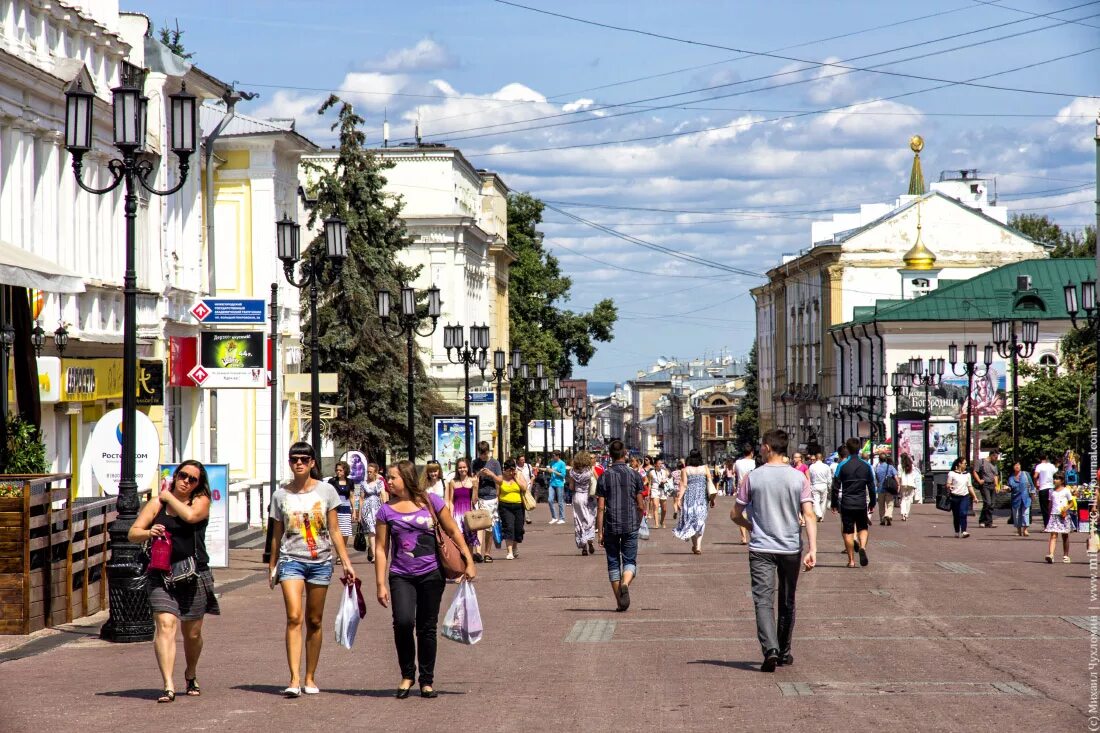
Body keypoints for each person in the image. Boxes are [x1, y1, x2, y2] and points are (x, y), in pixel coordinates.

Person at [375, 460, 476, 699]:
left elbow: (453, 530)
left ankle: (426, 680)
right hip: (400, 575)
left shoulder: (431, 502)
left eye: (392, 478)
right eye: (388, 478)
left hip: (432, 573)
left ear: (406, 479)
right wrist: (380, 583)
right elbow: (381, 548)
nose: (388, 482)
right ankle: (407, 674)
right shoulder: (386, 510)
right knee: (403, 622)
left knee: (426, 627)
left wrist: (469, 560)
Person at [268, 442, 356, 698]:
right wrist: (272, 565)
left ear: (312, 463)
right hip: (290, 560)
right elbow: (276, 534)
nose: (299, 463)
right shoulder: (280, 495)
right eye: (294, 458)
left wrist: (347, 562)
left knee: (314, 620)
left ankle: (310, 676)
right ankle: (294, 678)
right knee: (294, 616)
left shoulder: (326, 491)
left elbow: (335, 530)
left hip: (321, 561)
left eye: (304, 459)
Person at [130, 460, 218, 703]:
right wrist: (150, 532)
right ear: (176, 475)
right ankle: (168, 684)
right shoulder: (157, 503)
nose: (186, 481)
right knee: (166, 626)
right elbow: (132, 532)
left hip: (193, 574)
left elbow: (190, 516)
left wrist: (168, 497)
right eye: (182, 475)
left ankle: (190, 673)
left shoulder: (200, 502)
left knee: (192, 633)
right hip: (161, 574)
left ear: (198, 485)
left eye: (192, 479)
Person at [731, 430, 817, 672]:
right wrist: (813, 548)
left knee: (763, 600)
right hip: (790, 547)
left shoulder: (753, 477)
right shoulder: (799, 478)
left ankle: (770, 649)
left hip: (760, 547)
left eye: (762, 445)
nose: (760, 448)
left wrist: (751, 526)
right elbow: (809, 514)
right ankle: (784, 651)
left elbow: (735, 514)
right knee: (787, 599)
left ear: (768, 447)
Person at [596, 439, 646, 612]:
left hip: (611, 524)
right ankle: (625, 583)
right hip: (630, 522)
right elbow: (641, 505)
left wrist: (599, 531)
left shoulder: (604, 476)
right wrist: (638, 522)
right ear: (625, 454)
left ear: (610, 455)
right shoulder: (635, 475)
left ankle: (620, 602)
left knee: (612, 562)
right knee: (630, 560)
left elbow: (601, 507)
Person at [831, 437, 876, 568]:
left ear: (848, 449)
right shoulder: (866, 466)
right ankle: (862, 547)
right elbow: (871, 486)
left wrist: (834, 503)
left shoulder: (842, 465)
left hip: (847, 503)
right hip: (861, 502)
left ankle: (851, 560)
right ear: (859, 449)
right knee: (862, 527)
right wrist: (872, 503)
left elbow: (835, 487)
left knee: (848, 531)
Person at [674, 449, 714, 555]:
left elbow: (683, 485)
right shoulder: (705, 468)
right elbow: (710, 483)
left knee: (690, 521)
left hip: (689, 499)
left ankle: (696, 544)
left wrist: (679, 499)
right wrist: (712, 499)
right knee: (701, 521)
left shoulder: (685, 470)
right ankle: (698, 546)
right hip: (702, 498)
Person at [489, 459, 528, 560]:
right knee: (508, 528)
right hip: (505, 506)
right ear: (504, 470)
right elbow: (497, 493)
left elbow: (524, 488)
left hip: (518, 506)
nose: (511, 473)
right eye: (509, 471)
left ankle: (515, 547)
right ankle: (509, 551)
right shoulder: (500, 478)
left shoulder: (518, 475)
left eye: (512, 470)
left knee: (518, 529)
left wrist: (515, 477)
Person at [472, 441, 503, 561]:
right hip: (479, 497)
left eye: (485, 454)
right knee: (479, 525)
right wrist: (479, 474)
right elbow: (473, 478)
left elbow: (500, 481)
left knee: (489, 527)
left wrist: (491, 474)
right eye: (481, 454)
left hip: (491, 497)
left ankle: (487, 553)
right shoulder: (475, 463)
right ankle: (478, 552)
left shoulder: (495, 463)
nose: (483, 456)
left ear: (488, 452)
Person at [446, 458, 480, 557]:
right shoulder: (453, 482)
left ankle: (469, 558)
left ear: (468, 468)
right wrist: (451, 515)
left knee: (470, 538)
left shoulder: (473, 480)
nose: (462, 469)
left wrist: (475, 487)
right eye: (460, 467)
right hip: (457, 513)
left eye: (464, 467)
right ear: (457, 469)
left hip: (468, 513)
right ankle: (461, 559)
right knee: (458, 537)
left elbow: (474, 500)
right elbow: (451, 500)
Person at [568, 451, 598, 555]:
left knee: (579, 521)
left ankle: (583, 545)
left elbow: (571, 487)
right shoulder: (590, 471)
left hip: (577, 497)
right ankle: (590, 542)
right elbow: (597, 482)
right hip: (589, 497)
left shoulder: (572, 472)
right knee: (590, 520)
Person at [1044, 471, 1075, 563]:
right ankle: (1051, 554)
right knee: (1053, 535)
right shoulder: (1051, 491)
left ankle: (1066, 555)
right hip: (1054, 515)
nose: (1055, 480)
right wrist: (1049, 515)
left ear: (1062, 481)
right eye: (1054, 478)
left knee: (1065, 536)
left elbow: (1072, 502)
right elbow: (1050, 504)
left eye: (1057, 479)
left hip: (1063, 516)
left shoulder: (1066, 490)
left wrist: (1066, 508)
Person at [358, 462, 386, 563]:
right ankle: (374, 555)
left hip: (377, 508)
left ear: (375, 473)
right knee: (371, 531)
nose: (368, 473)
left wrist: (385, 508)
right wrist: (359, 513)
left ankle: (372, 550)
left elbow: (383, 495)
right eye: (368, 472)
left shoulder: (379, 482)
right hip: (367, 509)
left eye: (371, 472)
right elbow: (361, 498)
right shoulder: (363, 483)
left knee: (378, 531)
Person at [946, 457, 978, 538]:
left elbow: (969, 486)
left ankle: (964, 531)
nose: (966, 465)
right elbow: (948, 484)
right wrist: (949, 486)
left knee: (963, 513)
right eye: (964, 463)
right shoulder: (952, 473)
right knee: (956, 515)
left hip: (964, 496)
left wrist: (974, 497)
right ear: (959, 464)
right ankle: (957, 531)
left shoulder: (967, 474)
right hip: (955, 496)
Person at [328, 461, 357, 543]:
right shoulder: (332, 481)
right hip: (335, 508)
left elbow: (351, 496)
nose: (338, 472)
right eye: (337, 470)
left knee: (345, 531)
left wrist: (354, 510)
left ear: (345, 471)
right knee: (336, 530)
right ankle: (338, 553)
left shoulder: (350, 482)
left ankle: (343, 549)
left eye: (340, 470)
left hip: (346, 509)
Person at [972, 449, 1001, 528]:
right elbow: (975, 471)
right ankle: (982, 521)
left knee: (992, 504)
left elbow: (995, 475)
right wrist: (979, 480)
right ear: (991, 455)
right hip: (985, 485)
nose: (996, 459)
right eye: (995, 457)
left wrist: (997, 485)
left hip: (992, 485)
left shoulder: (994, 464)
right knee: (987, 502)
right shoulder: (981, 462)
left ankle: (988, 522)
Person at [734, 445, 757, 545]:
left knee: (741, 514)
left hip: (741, 490)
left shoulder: (738, 463)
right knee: (753, 514)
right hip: (753, 490)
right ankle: (753, 535)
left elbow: (735, 473)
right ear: (752, 452)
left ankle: (743, 537)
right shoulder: (754, 462)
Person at [1007, 461, 1035, 537]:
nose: (1017, 466)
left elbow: (1032, 485)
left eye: (1018, 465)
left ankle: (1025, 530)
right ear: (1013, 467)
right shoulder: (1011, 477)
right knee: (1016, 515)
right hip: (1015, 498)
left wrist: (1033, 494)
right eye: (1015, 465)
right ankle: (1019, 530)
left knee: (1025, 514)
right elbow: (1010, 488)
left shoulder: (1026, 474)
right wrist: (1007, 488)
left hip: (1026, 497)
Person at [874, 455, 899, 526]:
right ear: (886, 459)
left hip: (880, 489)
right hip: (889, 488)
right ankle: (888, 515)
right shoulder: (890, 467)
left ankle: (882, 519)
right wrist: (898, 485)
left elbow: (877, 479)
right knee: (890, 504)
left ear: (879, 460)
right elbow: (896, 477)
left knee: (881, 505)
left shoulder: (877, 468)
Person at [647, 457, 672, 528]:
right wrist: (648, 493)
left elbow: (670, 476)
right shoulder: (651, 472)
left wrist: (666, 480)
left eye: (661, 463)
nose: (661, 465)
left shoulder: (664, 471)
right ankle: (656, 524)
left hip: (663, 490)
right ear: (655, 464)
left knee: (664, 509)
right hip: (655, 490)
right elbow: (649, 483)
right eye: (659, 463)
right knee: (655, 506)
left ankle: (662, 521)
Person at [807, 452, 832, 522]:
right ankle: (821, 516)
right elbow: (829, 478)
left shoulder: (812, 466)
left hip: (815, 485)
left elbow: (810, 477)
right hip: (824, 485)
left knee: (816, 501)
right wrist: (830, 486)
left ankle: (819, 514)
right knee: (823, 502)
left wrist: (810, 485)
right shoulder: (826, 466)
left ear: (816, 458)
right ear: (822, 458)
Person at [545, 450, 568, 524]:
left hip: (559, 484)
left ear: (558, 456)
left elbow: (563, 475)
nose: (552, 457)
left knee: (560, 501)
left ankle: (562, 518)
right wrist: (547, 470)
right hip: (552, 483)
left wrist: (553, 471)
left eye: (554, 455)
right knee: (550, 500)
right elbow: (549, 470)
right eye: (552, 455)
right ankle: (554, 517)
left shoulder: (562, 463)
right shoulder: (552, 462)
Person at [897, 453, 922, 521]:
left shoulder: (900, 466)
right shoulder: (911, 466)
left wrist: (898, 484)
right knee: (909, 499)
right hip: (911, 484)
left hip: (903, 483)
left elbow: (899, 476)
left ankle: (903, 513)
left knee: (903, 499)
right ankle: (906, 514)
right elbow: (914, 476)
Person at [1033, 454, 1056, 528]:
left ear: (1039, 459)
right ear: (1046, 458)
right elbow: (1056, 473)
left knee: (1044, 508)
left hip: (1043, 488)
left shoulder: (1039, 466)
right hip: (1051, 488)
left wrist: (1036, 484)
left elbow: (1035, 476)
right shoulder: (1052, 466)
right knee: (1052, 507)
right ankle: (1053, 525)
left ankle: (1046, 526)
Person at [516, 454, 534, 525]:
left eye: (523, 460)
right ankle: (522, 517)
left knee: (526, 501)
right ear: (518, 460)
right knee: (521, 502)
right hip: (519, 486)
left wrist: (531, 485)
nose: (523, 461)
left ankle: (527, 518)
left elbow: (532, 476)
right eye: (521, 460)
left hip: (528, 486)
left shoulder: (528, 466)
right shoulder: (516, 468)